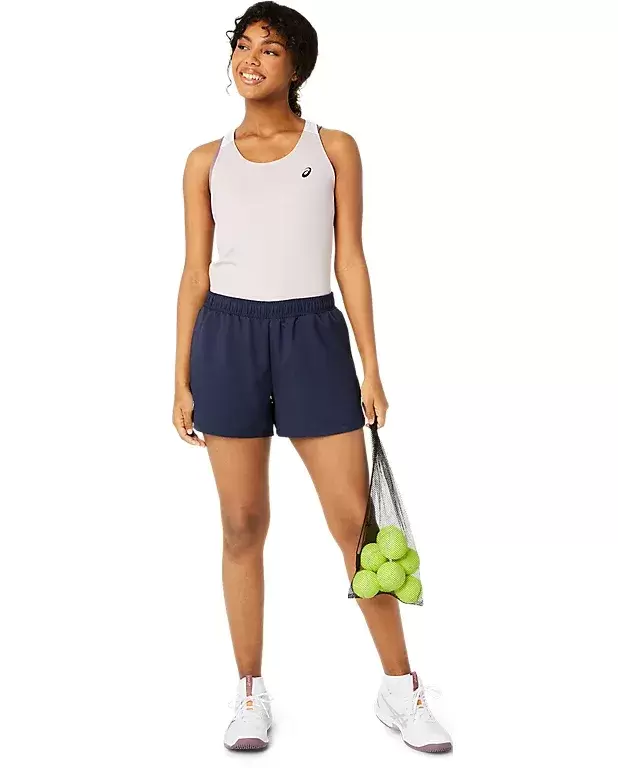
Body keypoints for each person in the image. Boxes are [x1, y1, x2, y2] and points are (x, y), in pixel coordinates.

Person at [172, 2, 453, 754]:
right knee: (241, 524)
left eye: (270, 48)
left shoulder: (334, 148)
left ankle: (401, 688)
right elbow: (194, 271)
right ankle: (250, 691)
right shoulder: (205, 160)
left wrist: (371, 365)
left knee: (356, 525)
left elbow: (349, 258)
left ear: (297, 65)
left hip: (313, 339)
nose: (251, 57)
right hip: (227, 338)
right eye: (243, 44)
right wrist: (181, 377)